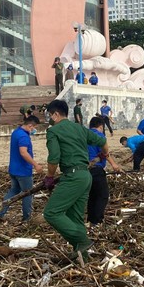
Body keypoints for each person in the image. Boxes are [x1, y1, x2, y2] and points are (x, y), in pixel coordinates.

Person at [42, 100, 109, 262]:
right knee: (76, 217)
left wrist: (49, 177)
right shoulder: (79, 128)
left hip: (72, 177)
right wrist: (103, 155)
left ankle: (82, 240)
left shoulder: (53, 131)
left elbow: (54, 158)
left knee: (51, 212)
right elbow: (103, 142)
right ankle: (82, 257)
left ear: (56, 114)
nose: (50, 118)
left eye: (50, 115)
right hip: (86, 176)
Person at [0, 116, 42, 223]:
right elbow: (23, 152)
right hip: (23, 171)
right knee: (27, 194)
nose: (34, 130)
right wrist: (35, 165)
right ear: (30, 125)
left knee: (14, 190)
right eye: (34, 127)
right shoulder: (23, 137)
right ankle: (27, 218)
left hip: (13, 169)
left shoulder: (16, 132)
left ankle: (0, 213)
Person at [87, 117, 121, 226]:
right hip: (96, 169)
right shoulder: (99, 135)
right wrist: (114, 164)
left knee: (92, 195)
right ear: (101, 126)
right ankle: (97, 221)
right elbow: (105, 152)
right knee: (103, 195)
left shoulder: (85, 134)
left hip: (85, 170)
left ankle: (91, 219)